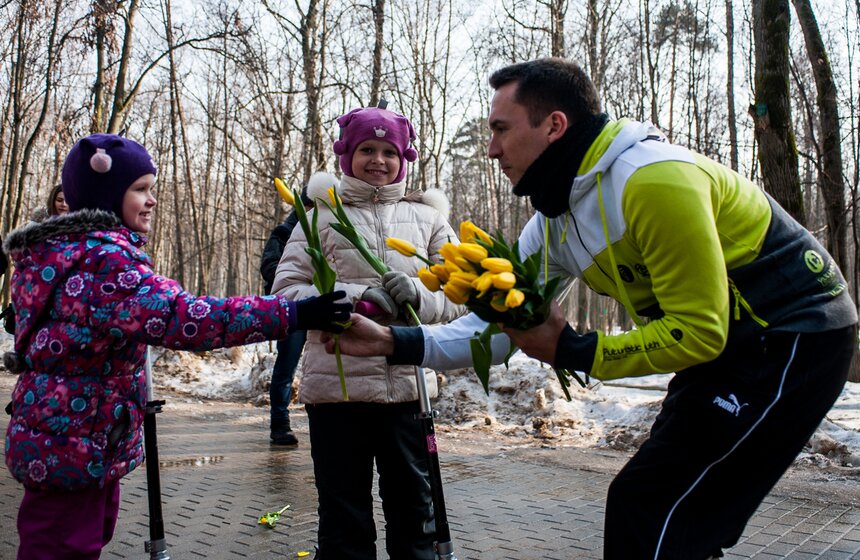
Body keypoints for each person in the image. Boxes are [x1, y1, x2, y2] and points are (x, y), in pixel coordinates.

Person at [325, 58, 858, 560]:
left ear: (554, 125)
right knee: (657, 511)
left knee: (652, 507)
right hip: (733, 348)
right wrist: (395, 342)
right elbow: (498, 329)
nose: (490, 149)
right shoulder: (554, 219)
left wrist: (574, 348)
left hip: (796, 334)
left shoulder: (653, 180)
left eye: (501, 129)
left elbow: (699, 332)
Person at [2, 133, 351, 560]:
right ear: (106, 194)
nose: (151, 201)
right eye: (140, 190)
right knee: (62, 546)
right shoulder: (101, 261)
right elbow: (185, 318)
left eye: (152, 189)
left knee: (78, 538)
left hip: (68, 432)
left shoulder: (61, 252)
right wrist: (292, 314)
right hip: (74, 439)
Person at [271, 106, 466, 560]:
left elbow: (462, 291)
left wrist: (417, 293)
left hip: (407, 390)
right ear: (346, 155)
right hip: (338, 393)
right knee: (344, 518)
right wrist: (359, 297)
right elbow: (287, 291)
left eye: (388, 152)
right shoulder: (320, 218)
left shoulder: (429, 220)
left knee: (415, 514)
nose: (378, 161)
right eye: (366, 150)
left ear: (405, 159)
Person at [259, 189, 314, 446]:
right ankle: (279, 424)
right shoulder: (284, 233)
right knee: (287, 367)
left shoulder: (325, 229)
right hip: (292, 310)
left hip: (320, 307)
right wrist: (296, 278)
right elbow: (269, 267)